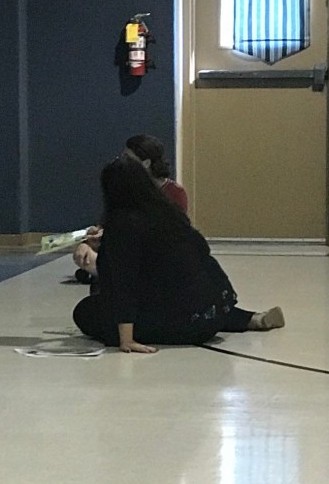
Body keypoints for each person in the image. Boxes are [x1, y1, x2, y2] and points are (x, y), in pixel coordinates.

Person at [73, 156, 284, 352]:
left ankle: (209, 321)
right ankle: (249, 318)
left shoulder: (123, 224)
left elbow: (123, 283)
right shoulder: (169, 212)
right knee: (193, 298)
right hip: (216, 307)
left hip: (185, 323)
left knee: (86, 311)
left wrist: (126, 339)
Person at [73, 133, 187, 280]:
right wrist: (92, 239)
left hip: (153, 250)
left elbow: (169, 234)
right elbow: (110, 222)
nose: (122, 162)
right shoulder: (126, 189)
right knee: (84, 251)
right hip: (129, 246)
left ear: (146, 163)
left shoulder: (174, 193)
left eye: (128, 158)